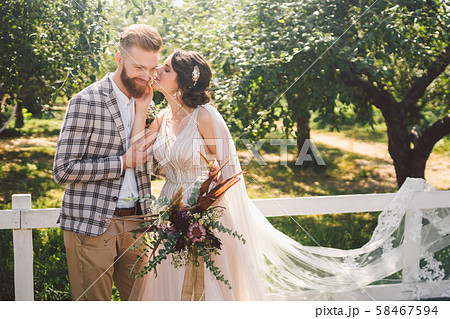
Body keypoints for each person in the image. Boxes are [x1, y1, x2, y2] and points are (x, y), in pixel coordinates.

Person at [130, 49, 450, 301]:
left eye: (166, 69)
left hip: (204, 215)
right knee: (167, 282)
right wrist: (144, 104)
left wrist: (201, 211)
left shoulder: (204, 116)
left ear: (185, 81)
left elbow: (228, 173)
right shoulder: (161, 119)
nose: (157, 71)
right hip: (168, 211)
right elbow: (139, 155)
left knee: (208, 285)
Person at [53, 24, 162, 301]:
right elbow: (63, 170)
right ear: (119, 59)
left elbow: (148, 165)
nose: (147, 76)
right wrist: (122, 162)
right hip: (93, 226)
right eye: (139, 67)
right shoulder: (86, 101)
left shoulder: (146, 102)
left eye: (152, 68)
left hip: (137, 223)